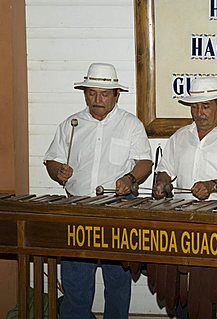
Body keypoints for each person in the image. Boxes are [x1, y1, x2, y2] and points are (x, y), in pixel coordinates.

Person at [44, 62, 153, 319]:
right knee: (75, 281)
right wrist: (57, 170)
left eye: (104, 94)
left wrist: (129, 178)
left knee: (117, 281)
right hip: (77, 208)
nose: (97, 99)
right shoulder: (71, 124)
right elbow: (51, 159)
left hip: (118, 210)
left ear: (116, 94)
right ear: (85, 94)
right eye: (92, 93)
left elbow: (145, 162)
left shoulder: (130, 124)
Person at [152, 76, 217, 201]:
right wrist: (161, 182)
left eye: (206, 106)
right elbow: (165, 170)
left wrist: (211, 186)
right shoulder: (179, 137)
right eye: (194, 107)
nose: (199, 113)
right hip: (183, 210)